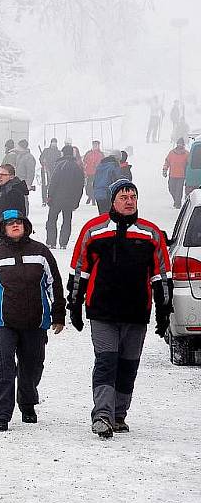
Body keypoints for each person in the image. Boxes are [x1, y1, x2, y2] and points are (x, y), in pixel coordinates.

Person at [66, 179, 172, 439]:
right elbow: (80, 270)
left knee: (128, 365)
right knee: (106, 361)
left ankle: (119, 414)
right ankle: (102, 414)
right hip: (102, 311)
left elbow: (161, 275)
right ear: (112, 201)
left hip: (136, 312)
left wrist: (163, 310)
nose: (129, 201)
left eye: (132, 197)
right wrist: (75, 304)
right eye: (123, 197)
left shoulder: (151, 233)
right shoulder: (94, 230)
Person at [0, 209, 65, 432]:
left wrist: (58, 313)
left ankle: (27, 402)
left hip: (35, 320)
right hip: (2, 320)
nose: (14, 226)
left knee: (32, 365)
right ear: (2, 228)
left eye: (18, 223)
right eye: (10, 223)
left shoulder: (40, 252)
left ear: (25, 226)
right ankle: (0, 415)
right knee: (2, 367)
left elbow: (55, 283)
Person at [45, 145, 85, 249]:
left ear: (63, 153)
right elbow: (80, 185)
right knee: (67, 220)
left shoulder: (59, 165)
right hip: (70, 200)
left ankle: (51, 242)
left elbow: (53, 182)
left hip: (56, 199)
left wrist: (49, 196)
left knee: (52, 220)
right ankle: (63, 243)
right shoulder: (77, 167)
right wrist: (77, 200)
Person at [0, 164, 28, 244]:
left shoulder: (13, 192)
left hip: (8, 239)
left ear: (11, 176)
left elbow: (13, 218)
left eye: (3, 174)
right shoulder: (5, 190)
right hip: (3, 237)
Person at [92, 150, 122, 215]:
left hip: (98, 193)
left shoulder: (100, 165)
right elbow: (117, 181)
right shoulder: (114, 165)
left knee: (102, 217)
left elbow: (95, 180)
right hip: (108, 194)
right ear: (117, 158)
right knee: (109, 217)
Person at [163, 138, 189, 209]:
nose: (179, 145)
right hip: (172, 175)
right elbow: (167, 162)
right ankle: (176, 200)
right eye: (178, 143)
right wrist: (165, 170)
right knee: (171, 189)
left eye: (181, 144)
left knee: (179, 191)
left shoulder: (187, 154)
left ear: (183, 145)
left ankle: (178, 204)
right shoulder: (172, 153)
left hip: (181, 176)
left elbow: (189, 165)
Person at [39, 138, 61, 206]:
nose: (54, 144)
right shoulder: (46, 151)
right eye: (53, 142)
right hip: (45, 170)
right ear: (50, 143)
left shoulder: (58, 152)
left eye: (55, 142)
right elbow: (41, 158)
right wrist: (43, 162)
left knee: (53, 185)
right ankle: (44, 200)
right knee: (45, 185)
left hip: (55, 171)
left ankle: (52, 198)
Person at [82, 141, 104, 205]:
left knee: (95, 186)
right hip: (89, 173)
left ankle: (93, 199)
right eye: (94, 145)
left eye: (96, 145)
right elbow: (84, 161)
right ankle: (90, 196)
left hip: (97, 173)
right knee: (88, 186)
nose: (95, 146)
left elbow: (103, 163)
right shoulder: (88, 153)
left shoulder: (101, 154)